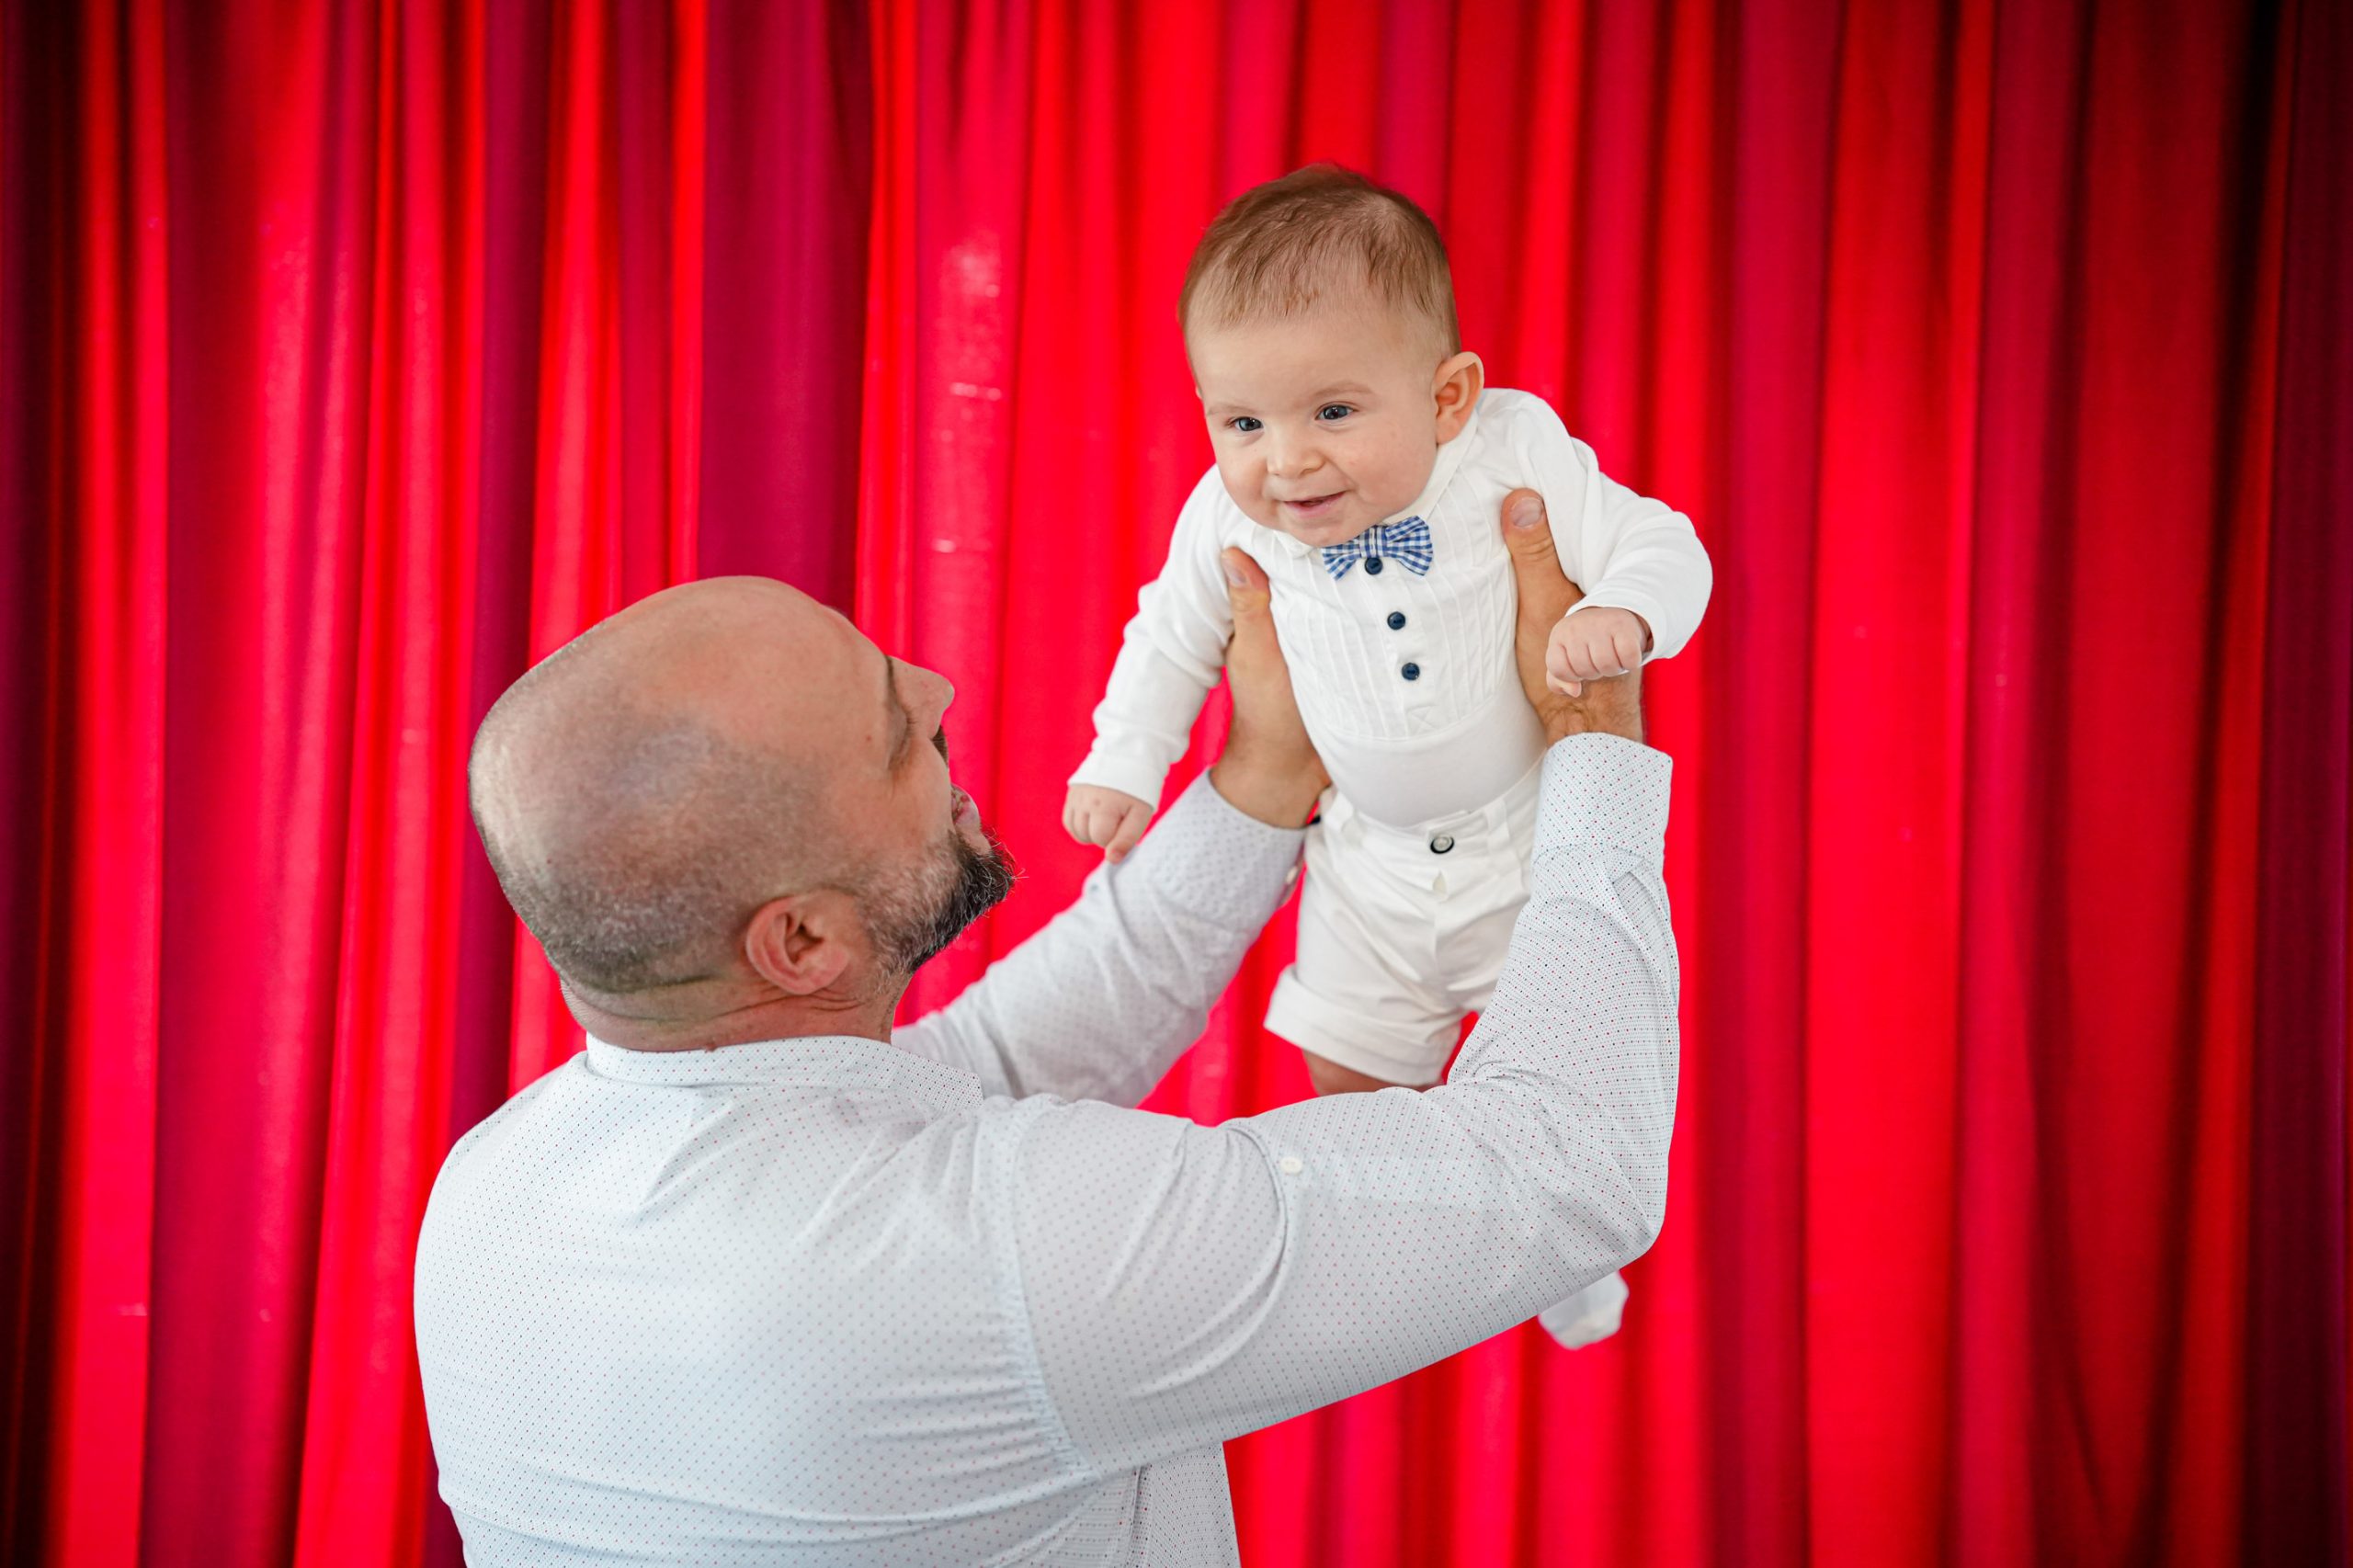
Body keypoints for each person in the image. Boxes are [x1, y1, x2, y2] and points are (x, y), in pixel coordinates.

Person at [415, 487, 1678, 1566]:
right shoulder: (994, 1257)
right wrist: (1592, 751)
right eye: (896, 731)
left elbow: (997, 1065)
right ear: (801, 943)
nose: (939, 685)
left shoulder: (491, 1188)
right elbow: (1567, 1164)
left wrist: (1262, 779)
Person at [1063, 165, 1710, 1347]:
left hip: (1522, 848)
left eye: (1333, 412)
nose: (1285, 462)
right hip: (1366, 866)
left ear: (1449, 396)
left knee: (1568, 1091)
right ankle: (1443, 1279)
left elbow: (1662, 539)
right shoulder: (1225, 513)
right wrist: (1122, 760)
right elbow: (1168, 636)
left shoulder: (1514, 452)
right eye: (1243, 423)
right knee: (1344, 1087)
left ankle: (1568, 1273)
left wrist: (1627, 610)